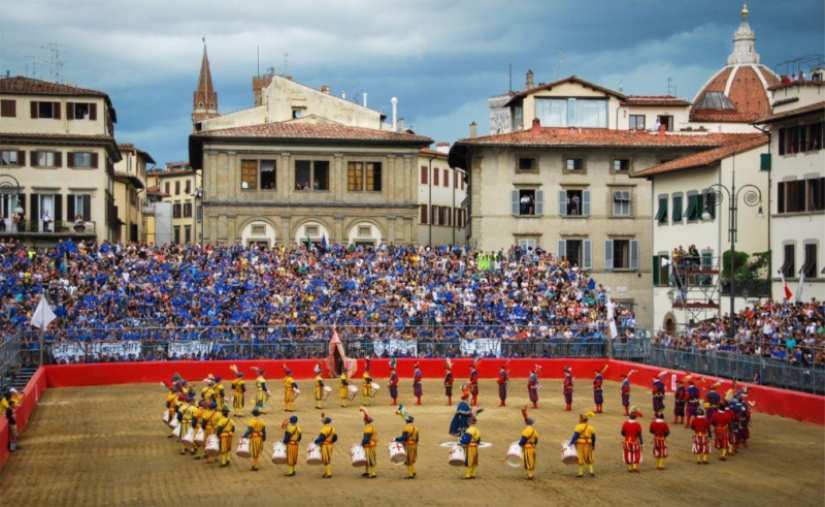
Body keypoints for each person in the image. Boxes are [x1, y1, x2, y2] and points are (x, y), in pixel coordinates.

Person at [569, 411, 596, 478]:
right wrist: (593, 444)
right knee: (589, 457)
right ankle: (591, 472)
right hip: (589, 443)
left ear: (581, 419)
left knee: (580, 457)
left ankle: (580, 473)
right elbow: (594, 437)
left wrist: (571, 443)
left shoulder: (578, 427)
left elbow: (575, 436)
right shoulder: (590, 427)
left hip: (580, 444)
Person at [394, 407, 418, 479]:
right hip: (414, 445)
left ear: (406, 421)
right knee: (412, 459)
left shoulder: (406, 428)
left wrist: (395, 439)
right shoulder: (416, 428)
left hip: (409, 445)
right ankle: (413, 472)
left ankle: (410, 474)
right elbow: (417, 439)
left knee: (408, 460)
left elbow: (403, 438)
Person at [314, 414, 338, 478]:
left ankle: (328, 473)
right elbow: (335, 438)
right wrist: (330, 442)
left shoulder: (324, 429)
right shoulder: (333, 429)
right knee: (327, 459)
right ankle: (327, 472)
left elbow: (321, 438)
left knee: (326, 459)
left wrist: (315, 441)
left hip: (325, 446)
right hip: (330, 445)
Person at [518, 406, 539, 480]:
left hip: (527, 448)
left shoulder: (526, 431)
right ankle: (529, 474)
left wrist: (519, 445)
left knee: (527, 461)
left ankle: (529, 475)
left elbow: (523, 440)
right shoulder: (535, 431)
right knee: (531, 461)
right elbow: (536, 441)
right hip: (532, 447)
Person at [621, 407, 643, 473]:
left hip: (627, 441)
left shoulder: (625, 423)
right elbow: (639, 435)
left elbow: (622, 432)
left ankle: (630, 468)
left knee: (628, 453)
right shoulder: (638, 425)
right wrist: (642, 443)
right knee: (636, 453)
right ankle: (635, 467)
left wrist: (627, 436)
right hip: (634, 441)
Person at [359, 408, 377, 478]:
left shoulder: (368, 428)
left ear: (366, 421)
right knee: (367, 459)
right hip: (371, 445)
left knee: (370, 459)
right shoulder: (372, 427)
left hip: (369, 445)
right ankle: (366, 472)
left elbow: (366, 439)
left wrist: (361, 444)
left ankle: (373, 473)